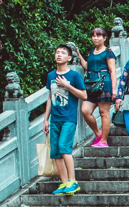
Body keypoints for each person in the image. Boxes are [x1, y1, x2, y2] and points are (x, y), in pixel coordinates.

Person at [43, 44, 87, 195]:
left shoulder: (74, 76)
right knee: (55, 152)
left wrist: (67, 86)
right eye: (57, 52)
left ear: (69, 58)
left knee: (64, 147)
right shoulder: (50, 76)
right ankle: (64, 183)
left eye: (63, 53)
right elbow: (50, 98)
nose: (59, 55)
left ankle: (73, 181)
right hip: (55, 119)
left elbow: (84, 96)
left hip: (68, 118)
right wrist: (45, 120)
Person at [77, 27, 117, 147]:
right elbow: (87, 66)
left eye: (99, 35)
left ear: (104, 38)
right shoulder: (92, 52)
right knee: (85, 110)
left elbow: (113, 71)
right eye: (94, 35)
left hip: (105, 84)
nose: (95, 38)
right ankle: (98, 133)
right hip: (92, 85)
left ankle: (104, 141)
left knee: (103, 112)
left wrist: (114, 90)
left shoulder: (108, 52)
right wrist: (79, 55)